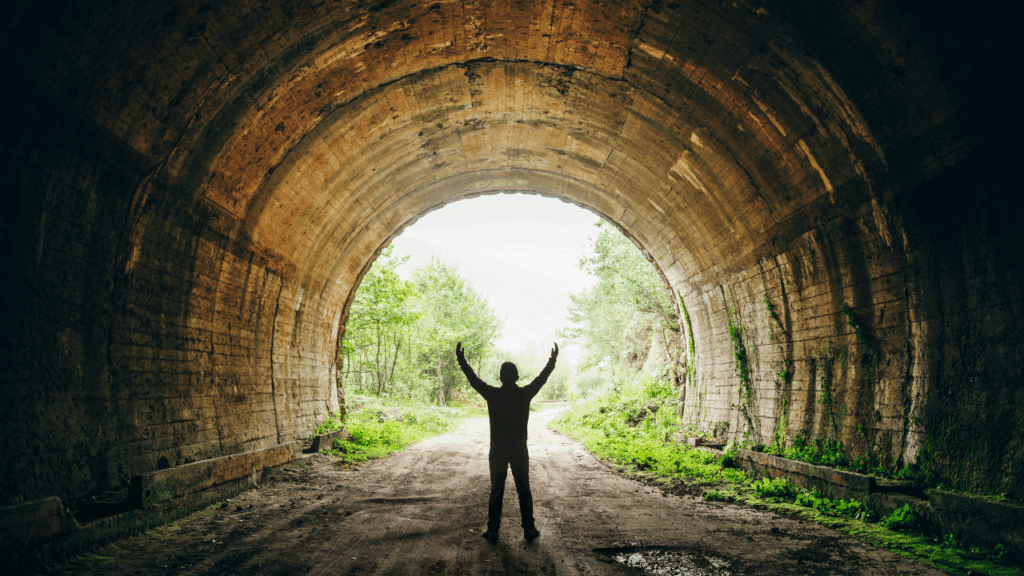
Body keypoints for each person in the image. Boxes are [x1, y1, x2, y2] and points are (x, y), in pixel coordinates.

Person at [455, 341, 558, 543]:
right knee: (524, 490)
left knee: (497, 490)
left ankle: (493, 530)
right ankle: (529, 529)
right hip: (519, 450)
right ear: (517, 377)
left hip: (498, 451)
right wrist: (552, 360)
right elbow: (541, 379)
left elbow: (473, 379)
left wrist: (461, 360)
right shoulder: (525, 394)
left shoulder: (492, 394)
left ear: (500, 378)